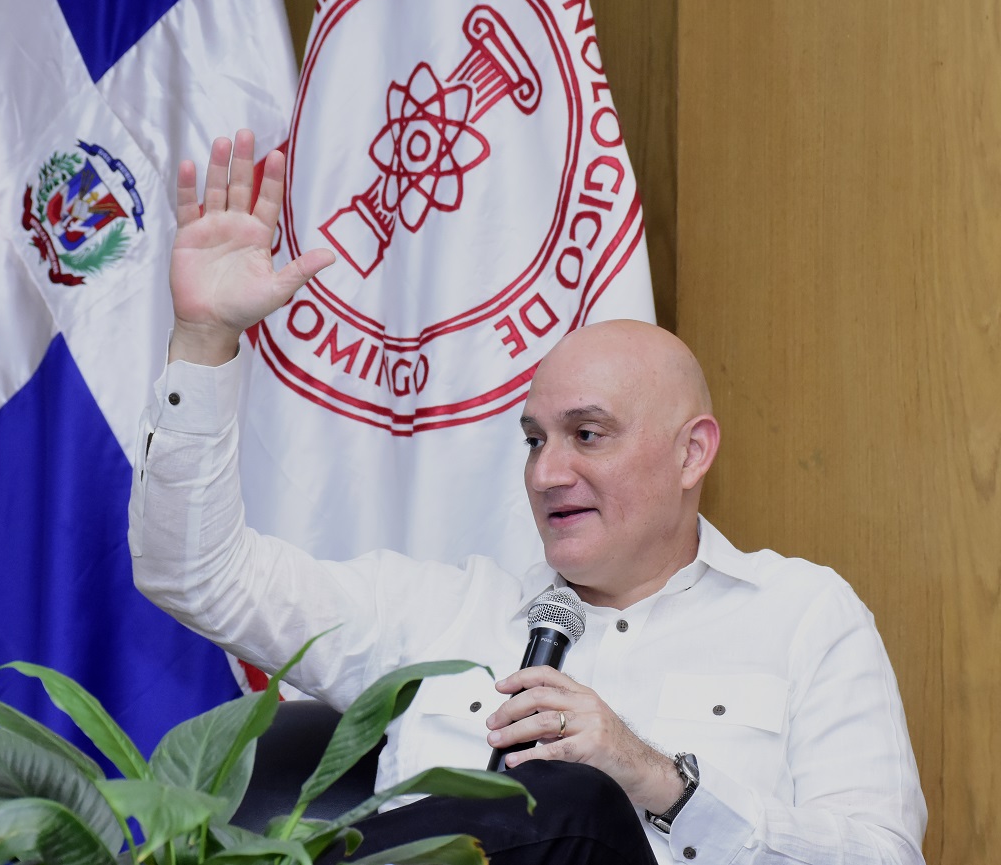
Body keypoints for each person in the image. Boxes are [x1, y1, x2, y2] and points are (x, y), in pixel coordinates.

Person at [129, 130, 927, 864]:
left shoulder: (803, 616)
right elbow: (197, 572)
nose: (547, 473)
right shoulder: (438, 616)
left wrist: (654, 776)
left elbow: (883, 857)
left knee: (571, 798)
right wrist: (204, 341)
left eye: (588, 434)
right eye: (535, 439)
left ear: (692, 453)